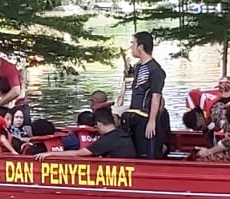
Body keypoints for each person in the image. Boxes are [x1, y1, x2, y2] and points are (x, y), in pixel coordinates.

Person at [123, 31, 169, 159]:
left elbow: (156, 96)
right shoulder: (139, 67)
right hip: (134, 114)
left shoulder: (155, 70)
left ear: (141, 47)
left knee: (147, 152)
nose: (131, 47)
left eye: (133, 44)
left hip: (145, 116)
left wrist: (152, 120)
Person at [35, 107, 136, 160]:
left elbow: (78, 154)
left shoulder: (107, 140)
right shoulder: (121, 133)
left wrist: (51, 153)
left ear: (99, 124)